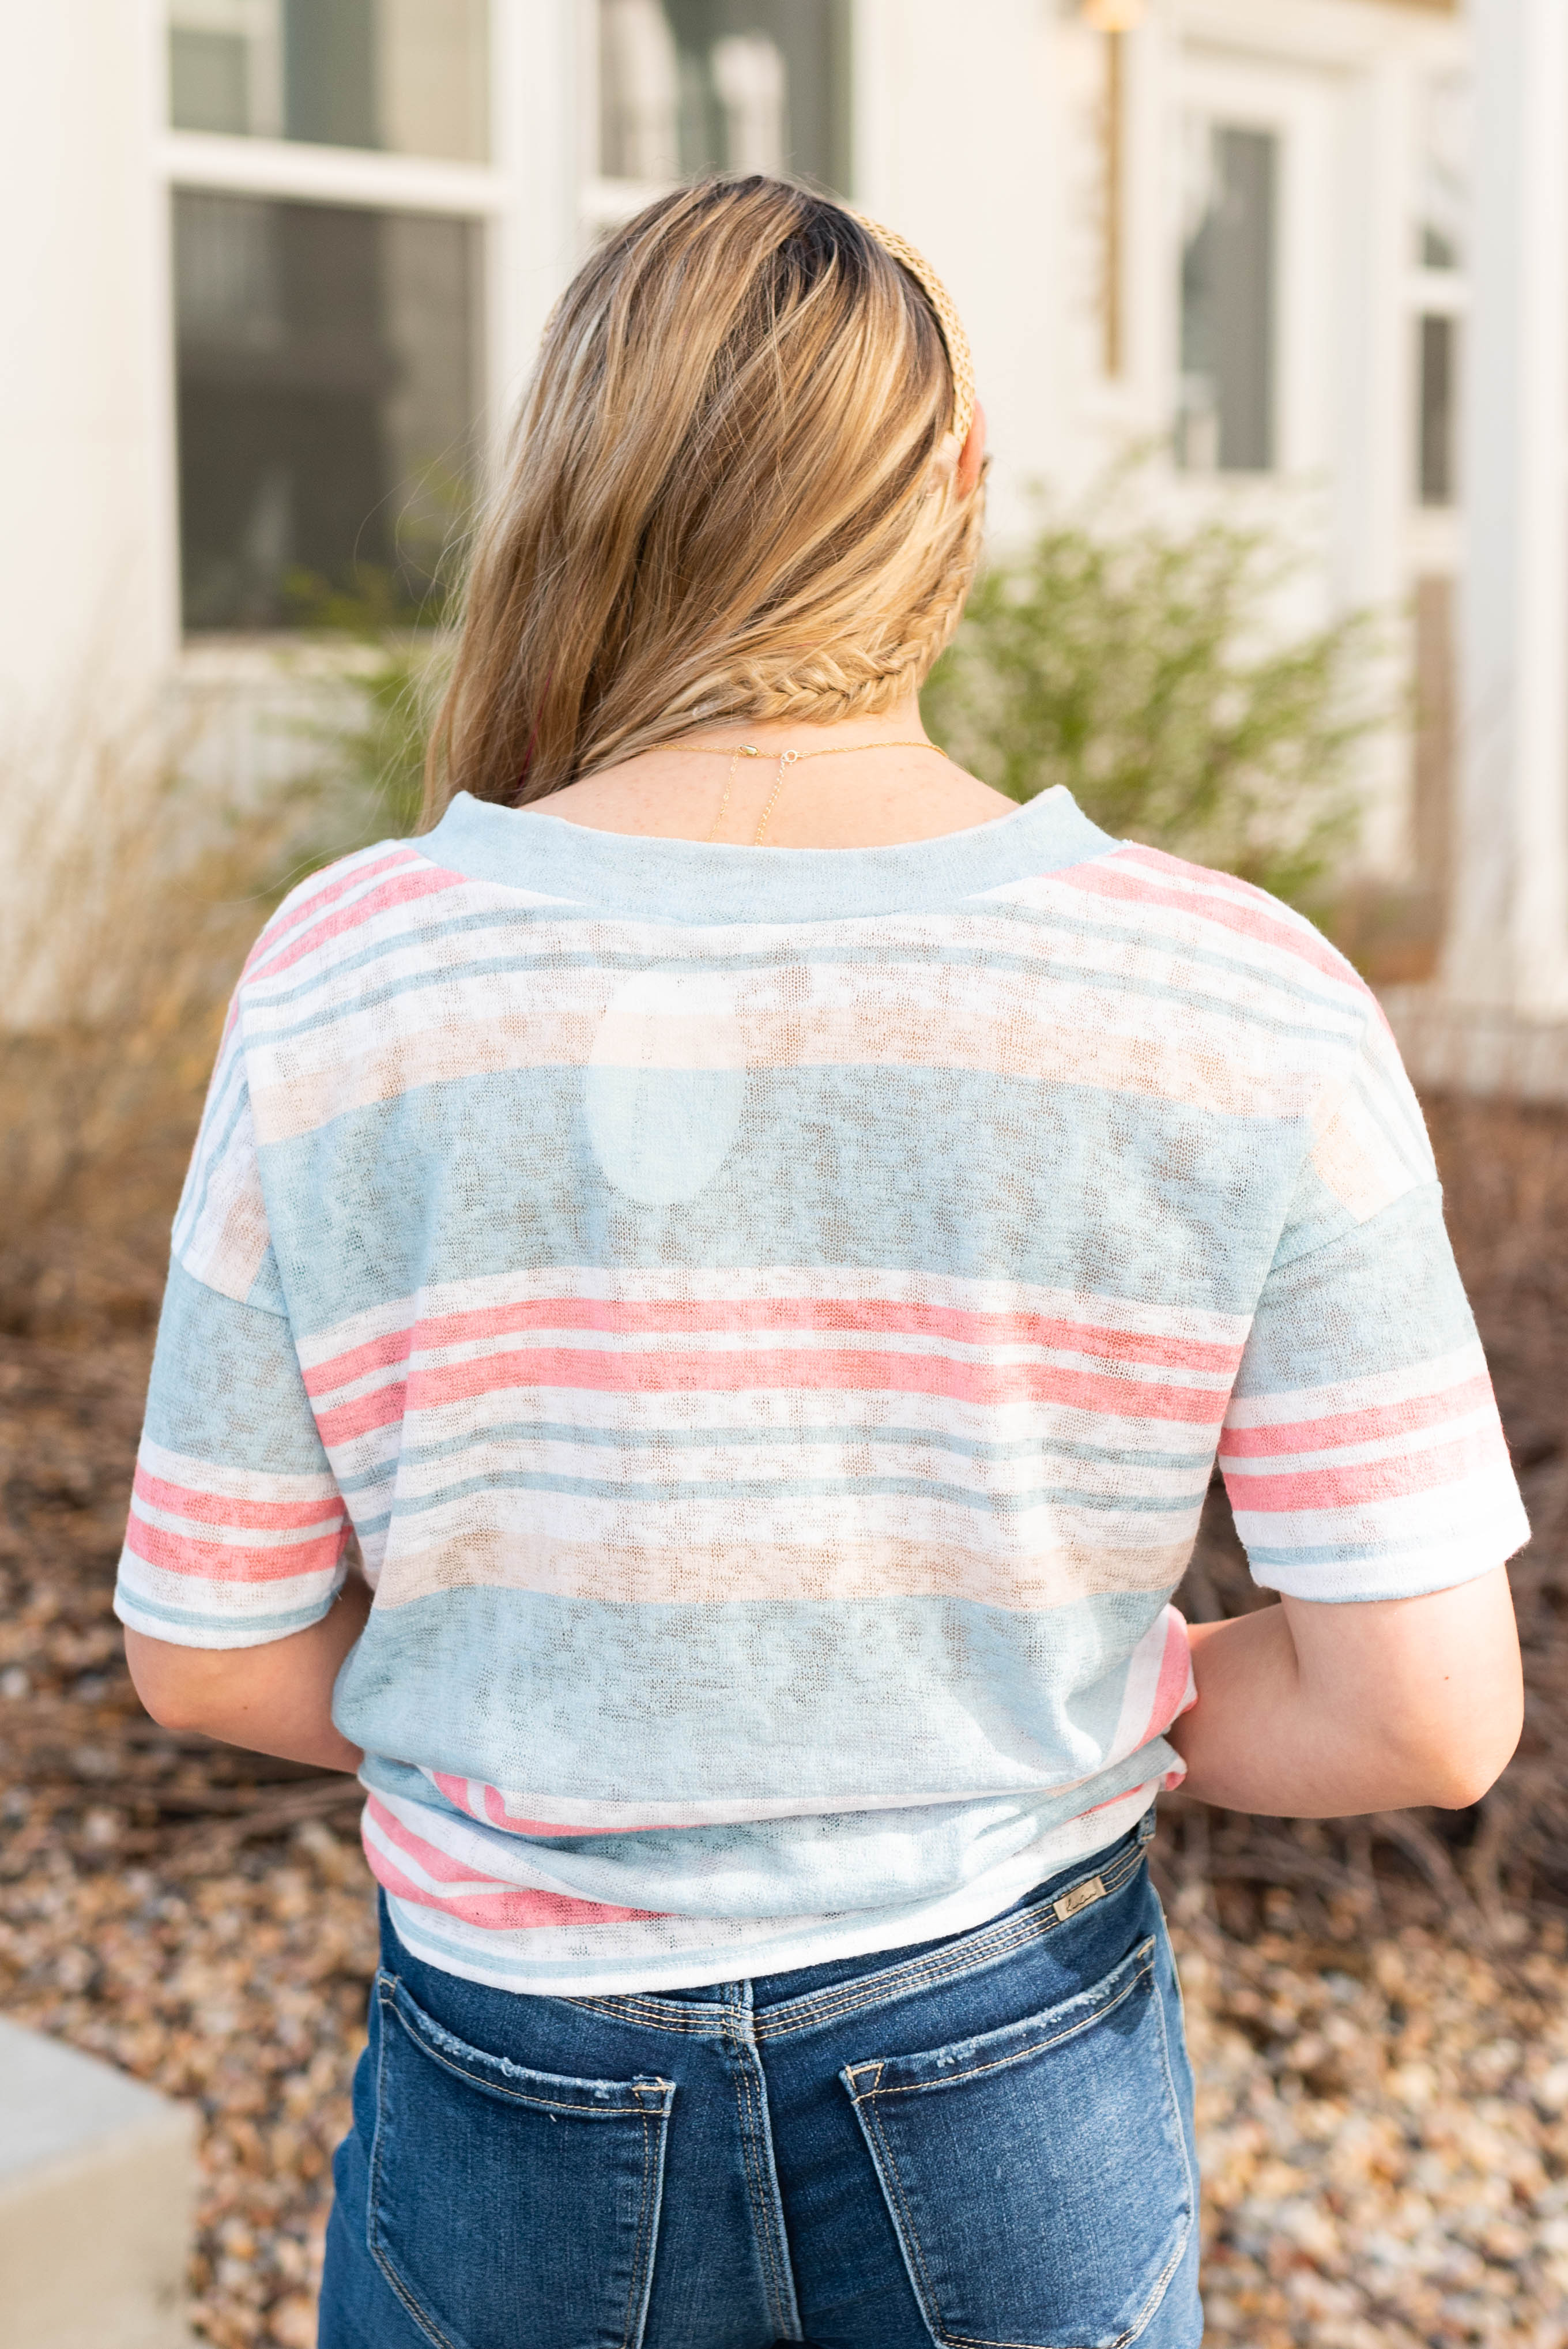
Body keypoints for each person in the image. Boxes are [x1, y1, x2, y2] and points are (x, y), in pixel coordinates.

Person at [119, 177, 1526, 2349]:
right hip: (1010, 2072)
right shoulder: (1237, 995)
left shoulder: (353, 974)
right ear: (961, 492)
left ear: (576, 486)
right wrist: (1077, 1696)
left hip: (515, 2088)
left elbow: (208, 1653)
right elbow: (1427, 1713)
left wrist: (557, 1713)